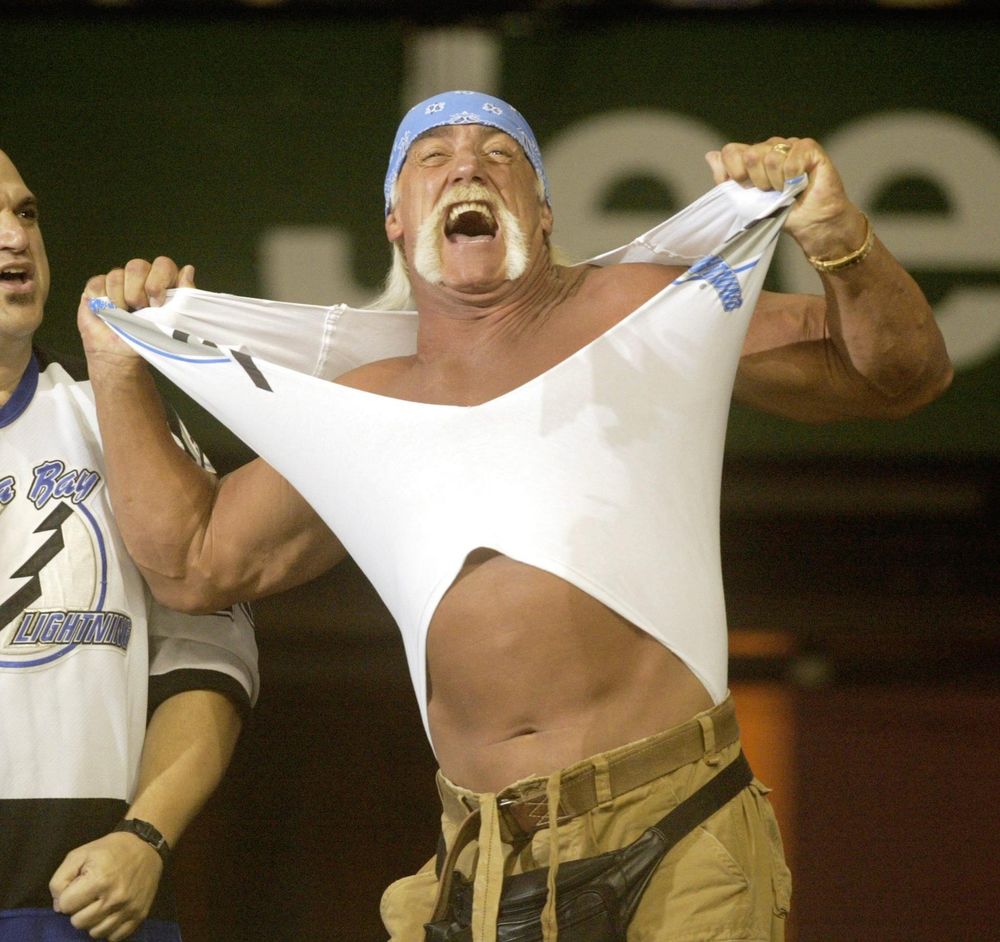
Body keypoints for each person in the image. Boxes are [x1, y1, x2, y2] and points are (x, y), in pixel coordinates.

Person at [76, 91, 952, 942]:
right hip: (484, 861)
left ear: (541, 212)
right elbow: (191, 565)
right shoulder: (363, 411)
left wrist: (841, 240)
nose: (468, 165)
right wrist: (116, 367)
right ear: (393, 218)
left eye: (500, 155)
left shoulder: (639, 309)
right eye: (434, 157)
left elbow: (897, 375)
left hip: (677, 825)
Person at [0, 147, 259, 942]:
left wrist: (144, 839)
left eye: (25, 213)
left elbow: (211, 660)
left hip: (87, 906)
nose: (14, 238)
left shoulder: (114, 414)